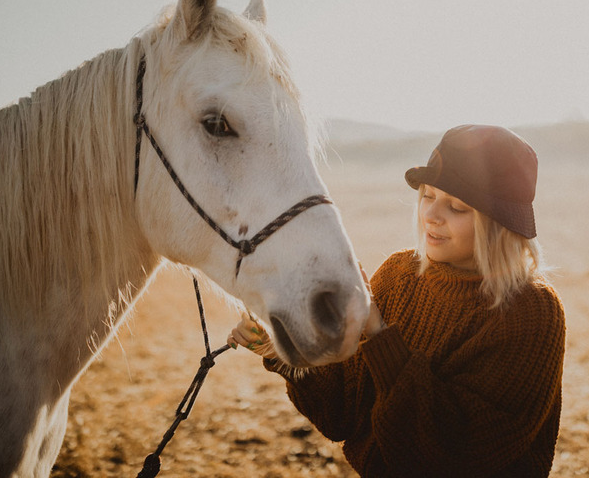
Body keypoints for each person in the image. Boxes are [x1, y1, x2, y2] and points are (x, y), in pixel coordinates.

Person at [229, 124, 566, 477]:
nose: (432, 215)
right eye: (428, 195)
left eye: (456, 206)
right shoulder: (399, 274)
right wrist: (284, 350)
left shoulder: (531, 311)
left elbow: (458, 453)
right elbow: (343, 413)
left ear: (499, 224)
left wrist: (379, 335)